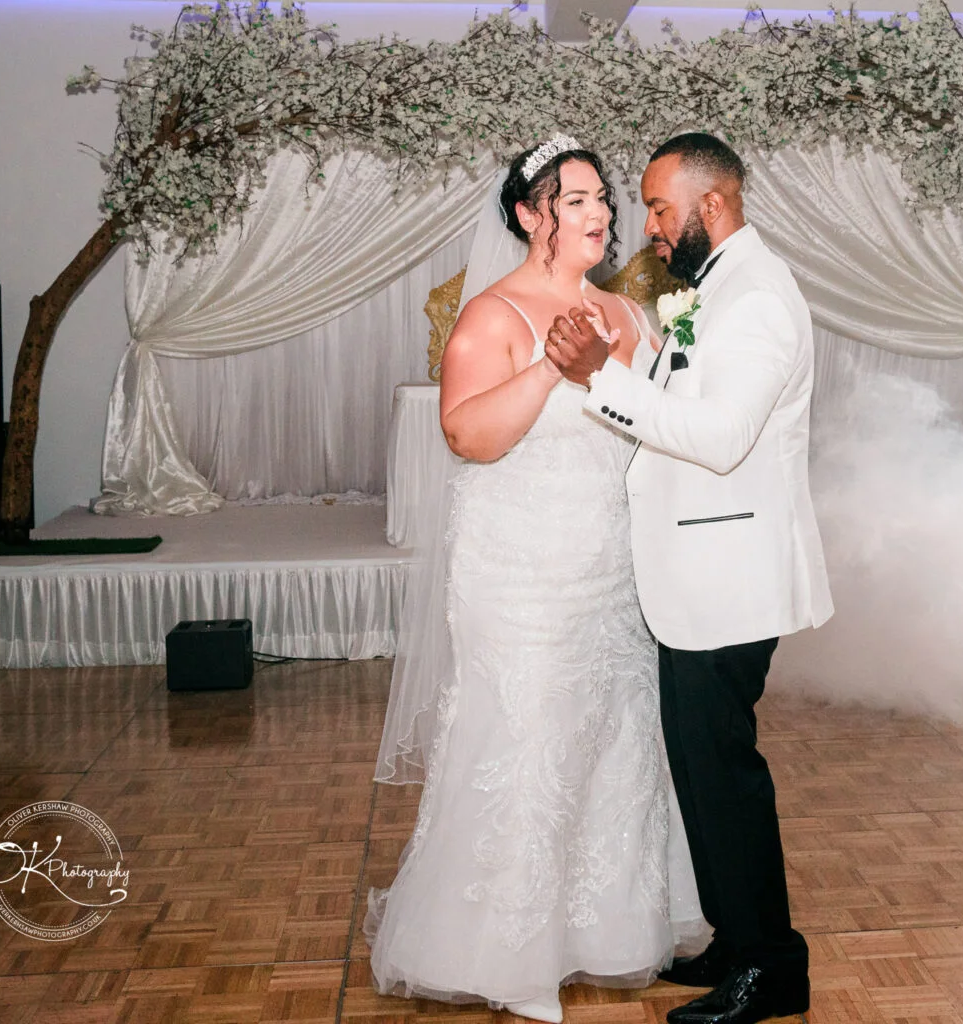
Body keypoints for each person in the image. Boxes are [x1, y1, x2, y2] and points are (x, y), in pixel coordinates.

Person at [363, 136, 703, 1023]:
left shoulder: (628, 317)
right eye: (576, 199)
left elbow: (655, 433)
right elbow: (467, 436)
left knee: (617, 740)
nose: (598, 214)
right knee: (528, 742)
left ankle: (606, 934)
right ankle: (504, 952)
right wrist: (552, 367)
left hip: (613, 574)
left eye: (601, 200)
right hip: (519, 574)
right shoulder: (493, 317)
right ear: (527, 215)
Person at [546, 133, 833, 1024]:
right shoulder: (713, 290)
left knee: (724, 772)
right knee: (701, 768)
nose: (651, 227)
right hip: (702, 570)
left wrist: (602, 379)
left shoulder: (758, 301)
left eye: (661, 209)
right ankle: (736, 941)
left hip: (729, 575)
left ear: (713, 205)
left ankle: (772, 968)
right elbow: (686, 406)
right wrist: (626, 371)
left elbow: (717, 438)